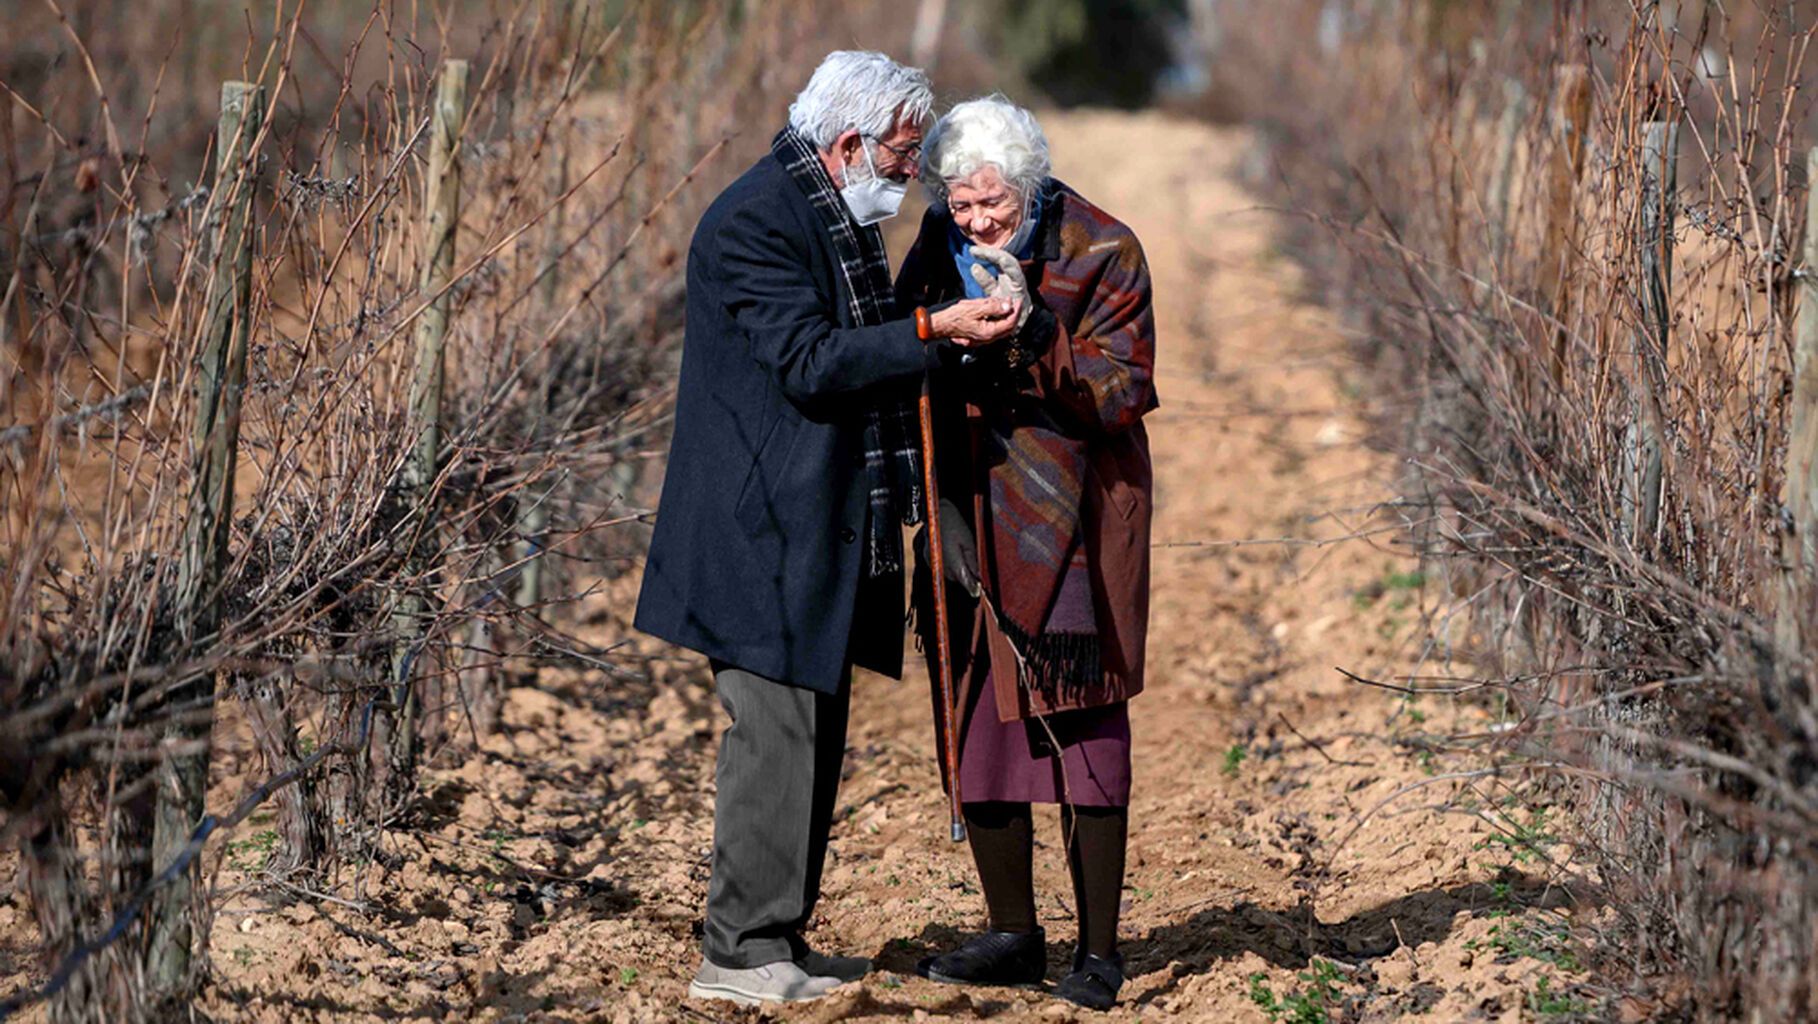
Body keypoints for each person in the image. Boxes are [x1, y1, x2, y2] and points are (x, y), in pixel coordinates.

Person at [634, 54, 1022, 1007]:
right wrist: (933, 333)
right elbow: (809, 361)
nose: (907, 174)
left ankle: (779, 941)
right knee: (772, 740)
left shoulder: (827, 211)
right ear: (849, 143)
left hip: (812, 531)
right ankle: (737, 955)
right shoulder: (757, 222)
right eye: (899, 154)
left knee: (810, 735)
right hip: (756, 537)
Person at [896, 96, 1158, 1012]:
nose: (973, 222)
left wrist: (1040, 331)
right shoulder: (935, 242)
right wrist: (939, 514)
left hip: (1075, 513)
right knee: (980, 717)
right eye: (960, 205)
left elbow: (1123, 393)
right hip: (969, 502)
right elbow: (909, 366)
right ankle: (1011, 931)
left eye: (990, 206)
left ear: (1030, 185)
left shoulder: (1106, 247)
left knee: (1081, 719)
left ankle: (1099, 951)